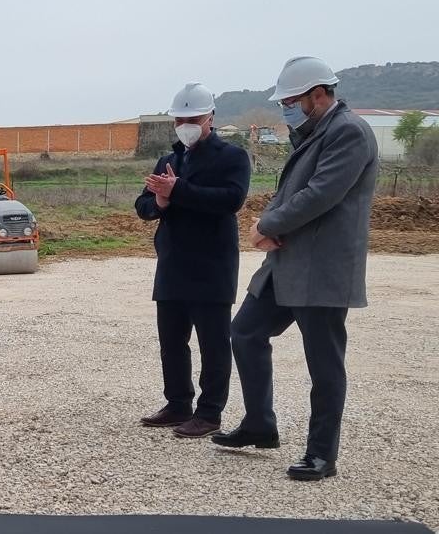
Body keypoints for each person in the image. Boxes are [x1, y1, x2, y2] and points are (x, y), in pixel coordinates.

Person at [212, 57, 379, 482]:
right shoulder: (313, 133)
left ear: (318, 94)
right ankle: (259, 424)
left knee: (324, 364)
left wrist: (267, 225)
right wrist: (268, 225)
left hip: (322, 268)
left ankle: (322, 454)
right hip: (286, 260)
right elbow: (290, 191)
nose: (287, 109)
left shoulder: (348, 133)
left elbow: (321, 194)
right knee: (245, 331)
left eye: (291, 101)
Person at [135, 83, 250, 439]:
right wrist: (161, 203)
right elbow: (143, 205)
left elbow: (231, 200)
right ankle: (178, 403)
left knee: (213, 343)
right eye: (179, 119)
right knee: (171, 341)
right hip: (172, 263)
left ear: (210, 118)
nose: (185, 124)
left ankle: (210, 412)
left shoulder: (232, 157)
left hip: (211, 265)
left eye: (192, 118)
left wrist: (177, 191)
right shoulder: (169, 160)